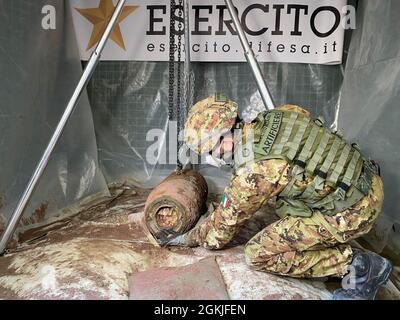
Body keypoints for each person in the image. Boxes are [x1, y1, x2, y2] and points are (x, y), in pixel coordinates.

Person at [161, 93, 392, 300]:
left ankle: (360, 267)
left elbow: (218, 236)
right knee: (284, 206)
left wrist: (190, 237)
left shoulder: (254, 172)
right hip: (365, 178)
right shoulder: (278, 114)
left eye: (211, 150)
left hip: (355, 209)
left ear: (226, 138)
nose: (212, 158)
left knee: (258, 254)